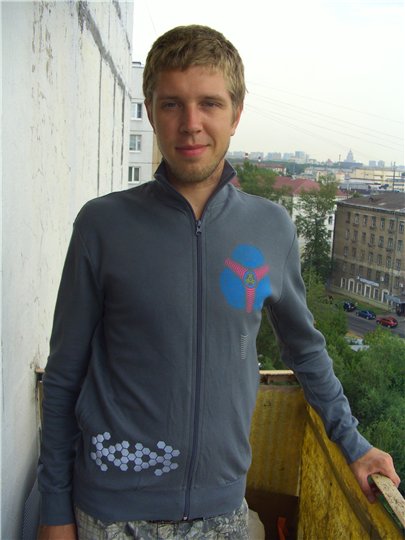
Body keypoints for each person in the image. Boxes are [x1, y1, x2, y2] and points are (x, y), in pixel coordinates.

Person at [37, 24, 400, 540]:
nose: (191, 124)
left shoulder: (270, 227)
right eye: (171, 104)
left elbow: (305, 350)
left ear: (236, 113)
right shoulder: (102, 225)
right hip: (111, 514)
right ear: (150, 111)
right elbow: (64, 376)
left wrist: (354, 443)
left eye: (209, 103)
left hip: (222, 512)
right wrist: (54, 509)